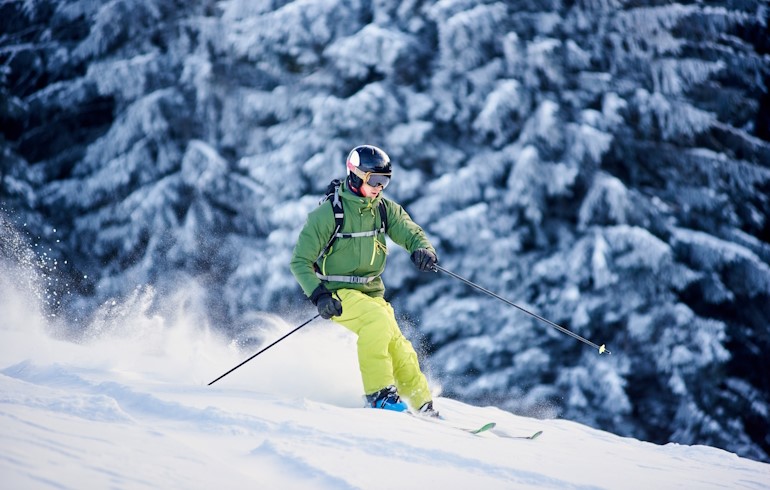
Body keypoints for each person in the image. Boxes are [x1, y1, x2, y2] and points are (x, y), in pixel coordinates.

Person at [290, 144, 439, 416]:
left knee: (398, 344)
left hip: (371, 294)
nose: (380, 187)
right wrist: (319, 296)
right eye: (375, 180)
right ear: (356, 175)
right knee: (377, 322)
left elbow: (409, 231)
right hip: (338, 293)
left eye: (386, 181)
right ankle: (379, 395)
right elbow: (299, 261)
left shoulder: (382, 209)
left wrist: (424, 250)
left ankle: (422, 403)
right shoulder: (329, 214)